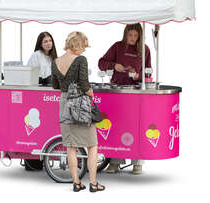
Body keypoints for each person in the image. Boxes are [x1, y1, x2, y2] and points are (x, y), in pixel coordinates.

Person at [52, 31, 105, 192]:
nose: (84, 50)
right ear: (78, 44)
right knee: (92, 145)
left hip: (64, 104)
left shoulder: (56, 61)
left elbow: (55, 85)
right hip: (80, 104)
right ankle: (94, 183)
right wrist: (90, 92)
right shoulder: (81, 59)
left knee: (71, 146)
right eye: (83, 46)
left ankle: (76, 183)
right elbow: (84, 84)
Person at [98, 23, 152, 174]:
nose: (133, 38)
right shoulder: (117, 47)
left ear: (140, 35)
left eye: (136, 36)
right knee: (115, 125)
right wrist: (114, 66)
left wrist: (137, 75)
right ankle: (115, 161)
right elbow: (101, 63)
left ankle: (138, 162)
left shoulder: (145, 50)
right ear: (125, 34)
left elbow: (148, 73)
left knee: (137, 126)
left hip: (136, 92)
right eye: (130, 35)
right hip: (117, 90)